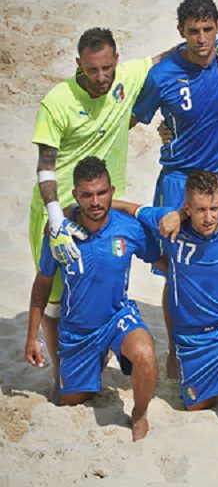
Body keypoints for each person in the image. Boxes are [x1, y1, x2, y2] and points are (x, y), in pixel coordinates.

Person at [30, 27, 174, 385]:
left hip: (103, 205)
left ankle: (102, 348)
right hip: (56, 211)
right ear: (79, 64)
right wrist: (55, 220)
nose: (101, 77)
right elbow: (45, 165)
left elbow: (169, 56)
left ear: (116, 62)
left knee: (99, 280)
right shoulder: (58, 101)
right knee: (57, 298)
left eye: (107, 68)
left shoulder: (125, 78)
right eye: (93, 70)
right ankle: (62, 373)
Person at [131, 0, 218, 377]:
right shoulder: (163, 74)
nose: (201, 38)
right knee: (176, 271)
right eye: (193, 31)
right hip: (180, 180)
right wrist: (165, 132)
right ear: (180, 32)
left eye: (207, 29)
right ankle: (175, 351)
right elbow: (131, 118)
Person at [114, 171, 218, 443]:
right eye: (200, 210)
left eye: (215, 208)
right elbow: (130, 209)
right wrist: (72, 211)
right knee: (197, 405)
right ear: (187, 207)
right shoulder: (168, 222)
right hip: (195, 336)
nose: (209, 217)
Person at [24, 157, 160, 441]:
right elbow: (42, 285)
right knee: (70, 399)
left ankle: (139, 415)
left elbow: (161, 261)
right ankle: (96, 357)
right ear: (76, 196)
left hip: (117, 318)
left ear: (111, 191)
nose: (95, 201)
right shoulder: (58, 234)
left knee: (146, 355)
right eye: (87, 195)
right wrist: (30, 336)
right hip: (78, 331)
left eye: (101, 193)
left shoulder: (130, 229)